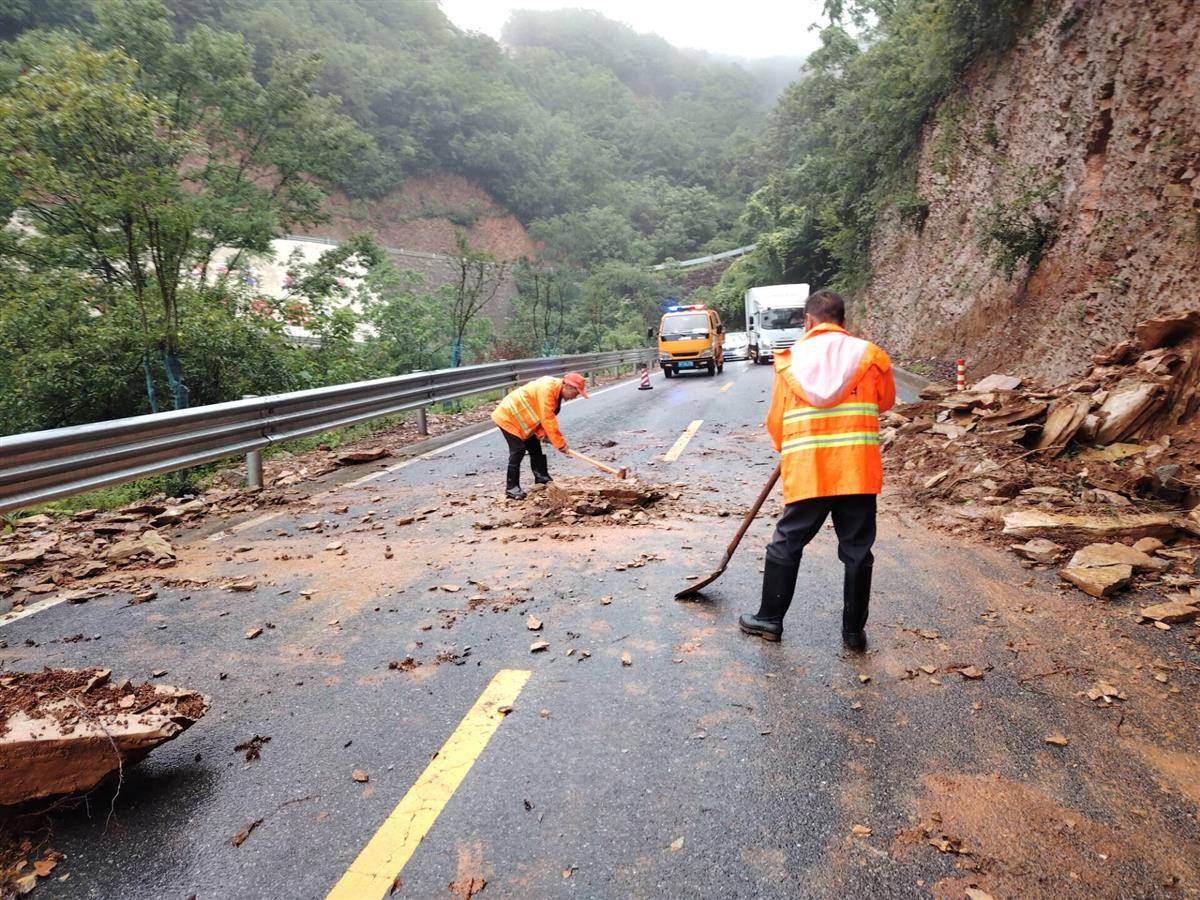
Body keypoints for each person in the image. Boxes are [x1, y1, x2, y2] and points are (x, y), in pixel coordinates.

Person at [739, 289, 896, 650]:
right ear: (843, 320)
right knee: (857, 550)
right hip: (857, 469)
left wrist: (789, 450)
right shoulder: (870, 355)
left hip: (810, 470)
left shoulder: (790, 360)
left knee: (787, 542)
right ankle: (853, 634)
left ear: (808, 321)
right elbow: (885, 401)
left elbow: (776, 421)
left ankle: (769, 619)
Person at [490, 371, 588, 500]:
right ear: (568, 386)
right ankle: (511, 487)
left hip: (524, 421)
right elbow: (547, 419)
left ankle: (542, 478)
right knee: (518, 450)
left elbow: (540, 416)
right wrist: (560, 444)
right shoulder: (548, 390)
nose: (574, 397)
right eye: (575, 393)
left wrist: (543, 435)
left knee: (535, 447)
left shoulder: (556, 391)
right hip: (508, 417)